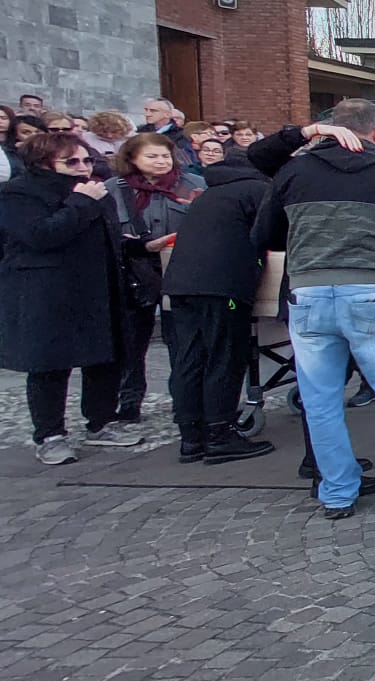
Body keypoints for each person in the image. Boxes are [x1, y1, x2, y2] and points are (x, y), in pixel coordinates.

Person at [252, 99, 375, 519]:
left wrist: (306, 135)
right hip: (373, 288)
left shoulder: (294, 171)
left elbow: (266, 232)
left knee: (320, 399)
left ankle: (337, 491)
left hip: (310, 291)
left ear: (330, 128)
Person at [0, 131, 143, 463]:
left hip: (96, 285)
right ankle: (50, 434)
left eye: (86, 160)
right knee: (50, 365)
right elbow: (40, 235)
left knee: (103, 357)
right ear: (45, 163)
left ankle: (100, 421)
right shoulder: (18, 193)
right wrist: (82, 202)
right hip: (45, 290)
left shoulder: (94, 189)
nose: (82, 167)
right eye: (71, 162)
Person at [159, 146, 279, 466]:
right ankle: (219, 435)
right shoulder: (257, 191)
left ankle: (191, 437)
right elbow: (276, 234)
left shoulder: (210, 194)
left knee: (189, 357)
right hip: (223, 287)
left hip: (181, 284)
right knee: (224, 356)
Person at [104, 130, 202, 423]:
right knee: (132, 343)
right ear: (133, 158)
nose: (161, 162)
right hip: (134, 273)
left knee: (182, 341)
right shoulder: (113, 188)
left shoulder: (193, 184)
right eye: (152, 156)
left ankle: (184, 402)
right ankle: (129, 402)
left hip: (180, 270)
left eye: (165, 156)